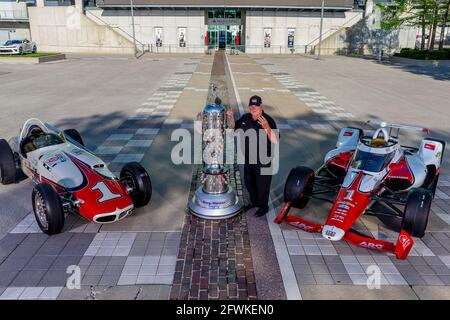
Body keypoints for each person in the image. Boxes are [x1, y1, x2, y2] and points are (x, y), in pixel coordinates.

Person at [228, 95, 278, 217]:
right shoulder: (246, 117)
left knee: (262, 186)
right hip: (249, 159)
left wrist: (266, 127)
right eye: (251, 106)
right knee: (249, 182)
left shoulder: (268, 120)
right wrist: (231, 117)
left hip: (263, 160)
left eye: (255, 106)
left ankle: (263, 207)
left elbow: (275, 140)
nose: (253, 108)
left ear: (261, 106)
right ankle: (254, 202)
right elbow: (235, 127)